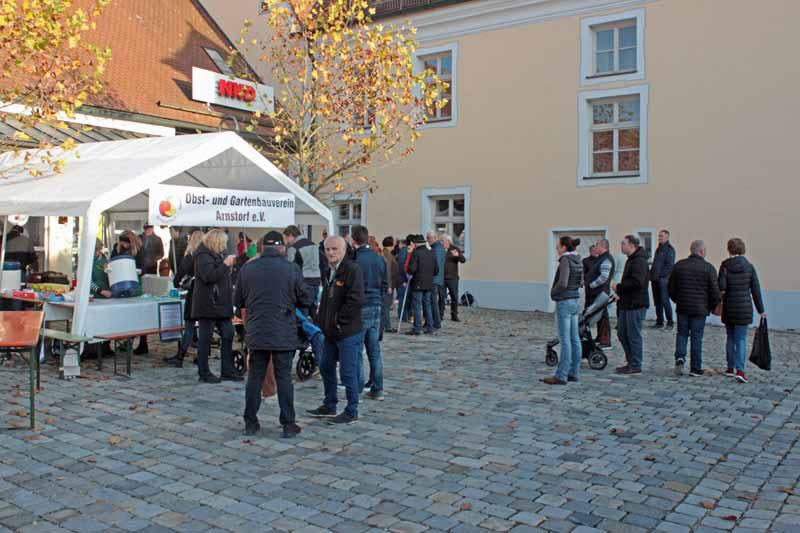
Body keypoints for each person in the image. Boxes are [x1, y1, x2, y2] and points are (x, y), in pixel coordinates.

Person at [236, 231, 312, 438]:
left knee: (255, 378)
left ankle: (250, 422)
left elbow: (238, 300)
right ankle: (288, 424)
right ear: (282, 248)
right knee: (284, 378)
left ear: (262, 248)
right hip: (283, 330)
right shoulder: (291, 268)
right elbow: (305, 298)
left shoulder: (248, 268)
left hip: (257, 330)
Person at [307, 235, 365, 424]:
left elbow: (355, 300)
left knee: (348, 372)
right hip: (330, 331)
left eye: (334, 249)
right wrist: (322, 321)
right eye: (327, 249)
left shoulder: (352, 269)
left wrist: (339, 321)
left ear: (343, 250)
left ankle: (351, 410)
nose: (330, 252)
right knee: (325, 367)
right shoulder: (328, 269)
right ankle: (330, 404)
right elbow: (326, 297)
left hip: (347, 331)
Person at [192, 229, 239, 384]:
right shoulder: (202, 255)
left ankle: (227, 370)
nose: (224, 246)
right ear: (216, 242)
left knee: (228, 334)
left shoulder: (217, 253)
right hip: (208, 304)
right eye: (222, 243)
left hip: (221, 304)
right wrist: (225, 264)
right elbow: (209, 277)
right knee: (205, 339)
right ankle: (204, 372)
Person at [668, 240, 720, 377]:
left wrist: (678, 300)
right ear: (702, 251)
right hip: (700, 309)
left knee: (682, 334)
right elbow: (715, 292)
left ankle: (680, 357)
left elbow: (670, 288)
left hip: (683, 306)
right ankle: (695, 368)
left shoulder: (679, 265)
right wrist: (712, 306)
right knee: (697, 337)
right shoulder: (708, 268)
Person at [718, 238, 765, 383]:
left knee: (730, 337)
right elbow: (756, 290)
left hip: (729, 307)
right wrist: (761, 310)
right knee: (741, 339)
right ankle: (740, 370)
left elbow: (721, 287)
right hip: (744, 308)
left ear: (729, 249)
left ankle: (730, 368)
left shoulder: (725, 266)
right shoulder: (749, 267)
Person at [352, 225, 387, 400]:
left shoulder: (355, 260)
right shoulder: (379, 258)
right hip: (376, 305)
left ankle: (357, 388)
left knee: (357, 349)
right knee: (374, 350)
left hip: (361, 306)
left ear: (353, 240)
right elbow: (385, 284)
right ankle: (377, 388)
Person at [543, 237, 584, 385]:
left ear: (564, 247)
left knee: (565, 339)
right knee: (575, 339)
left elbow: (563, 282)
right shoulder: (578, 259)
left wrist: (553, 293)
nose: (556, 248)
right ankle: (574, 372)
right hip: (575, 300)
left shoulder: (566, 260)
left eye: (558, 246)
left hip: (565, 301)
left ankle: (561, 375)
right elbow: (581, 282)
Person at [163, 230, 203, 367]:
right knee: (204, 328)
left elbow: (178, 276)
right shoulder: (207, 256)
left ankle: (180, 357)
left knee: (189, 327)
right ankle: (201, 356)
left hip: (193, 294)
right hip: (205, 295)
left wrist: (177, 284)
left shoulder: (190, 257)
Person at [613, 235, 650, 375]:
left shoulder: (639, 261)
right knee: (622, 333)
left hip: (636, 304)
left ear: (631, 245)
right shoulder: (631, 259)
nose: (621, 246)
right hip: (626, 303)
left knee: (633, 335)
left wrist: (619, 287)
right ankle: (630, 361)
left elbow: (637, 282)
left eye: (623, 243)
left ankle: (635, 364)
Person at [283, 225, 322, 320]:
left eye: (287, 238)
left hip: (303, 282)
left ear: (291, 235)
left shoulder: (293, 248)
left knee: (302, 314)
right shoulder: (313, 245)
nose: (287, 241)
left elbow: (290, 268)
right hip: (316, 280)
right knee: (314, 312)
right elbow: (322, 262)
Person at [407, 234, 438, 335]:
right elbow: (436, 270)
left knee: (417, 305)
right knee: (427, 305)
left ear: (416, 244)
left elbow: (411, 269)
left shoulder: (416, 253)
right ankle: (430, 327)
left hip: (418, 283)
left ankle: (417, 328)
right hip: (429, 283)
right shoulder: (432, 252)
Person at [585, 239, 615, 347]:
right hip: (596, 293)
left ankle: (605, 340)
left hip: (600, 292)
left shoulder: (606, 259)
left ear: (603, 246)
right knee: (598, 316)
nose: (595, 247)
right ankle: (600, 337)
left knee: (602, 316)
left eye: (597, 245)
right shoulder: (601, 258)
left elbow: (604, 277)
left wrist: (592, 285)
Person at [650, 229, 676, 329]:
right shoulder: (658, 249)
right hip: (655, 279)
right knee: (657, 302)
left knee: (665, 301)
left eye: (661, 236)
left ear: (667, 237)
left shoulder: (670, 250)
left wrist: (660, 276)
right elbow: (655, 264)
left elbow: (669, 266)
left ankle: (670, 322)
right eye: (659, 236)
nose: (659, 238)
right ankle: (659, 322)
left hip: (663, 280)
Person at [442, 234, 465, 322]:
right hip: (442, 278)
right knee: (441, 297)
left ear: (448, 241)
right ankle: (440, 314)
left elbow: (463, 260)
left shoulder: (455, 249)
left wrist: (457, 256)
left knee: (454, 297)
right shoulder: (441, 249)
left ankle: (454, 315)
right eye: (442, 241)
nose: (442, 243)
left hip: (453, 278)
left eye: (443, 241)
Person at [381, 236, 401, 333]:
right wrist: (389, 286)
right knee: (386, 306)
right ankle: (387, 326)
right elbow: (388, 271)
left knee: (385, 306)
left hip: (389, 283)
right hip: (388, 284)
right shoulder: (387, 254)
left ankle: (385, 325)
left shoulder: (386, 253)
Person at [428, 231, 446, 328]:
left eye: (429, 238)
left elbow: (436, 265)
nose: (428, 240)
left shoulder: (437, 248)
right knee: (433, 301)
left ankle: (436, 322)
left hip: (434, 279)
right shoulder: (437, 247)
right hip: (436, 278)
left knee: (433, 301)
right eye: (427, 238)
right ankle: (434, 322)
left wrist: (430, 276)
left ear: (435, 238)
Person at [396, 235, 415, 323]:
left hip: (408, 280)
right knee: (403, 299)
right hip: (404, 280)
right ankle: (403, 317)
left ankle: (407, 316)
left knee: (408, 299)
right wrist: (404, 280)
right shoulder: (404, 251)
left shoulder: (408, 250)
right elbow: (401, 266)